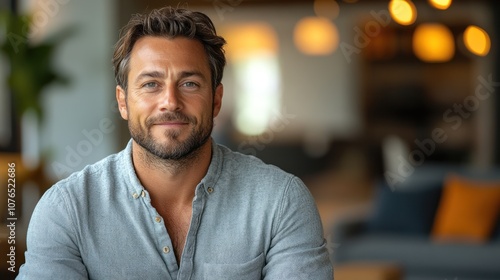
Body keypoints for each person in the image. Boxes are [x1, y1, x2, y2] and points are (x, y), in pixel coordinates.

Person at [17, 7, 333, 280]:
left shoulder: (280, 202)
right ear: (123, 102)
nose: (170, 101)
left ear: (216, 100)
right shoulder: (67, 209)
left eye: (189, 83)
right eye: (151, 84)